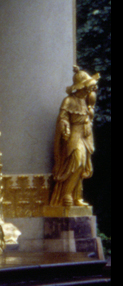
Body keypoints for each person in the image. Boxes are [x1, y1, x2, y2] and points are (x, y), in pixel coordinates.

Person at [49, 65, 99, 208]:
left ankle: (76, 196)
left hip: (85, 137)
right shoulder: (69, 100)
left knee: (83, 166)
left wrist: (89, 117)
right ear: (81, 87)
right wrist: (65, 125)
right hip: (74, 135)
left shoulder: (86, 101)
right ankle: (66, 194)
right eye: (88, 86)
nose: (91, 89)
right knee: (77, 162)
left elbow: (88, 117)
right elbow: (63, 117)